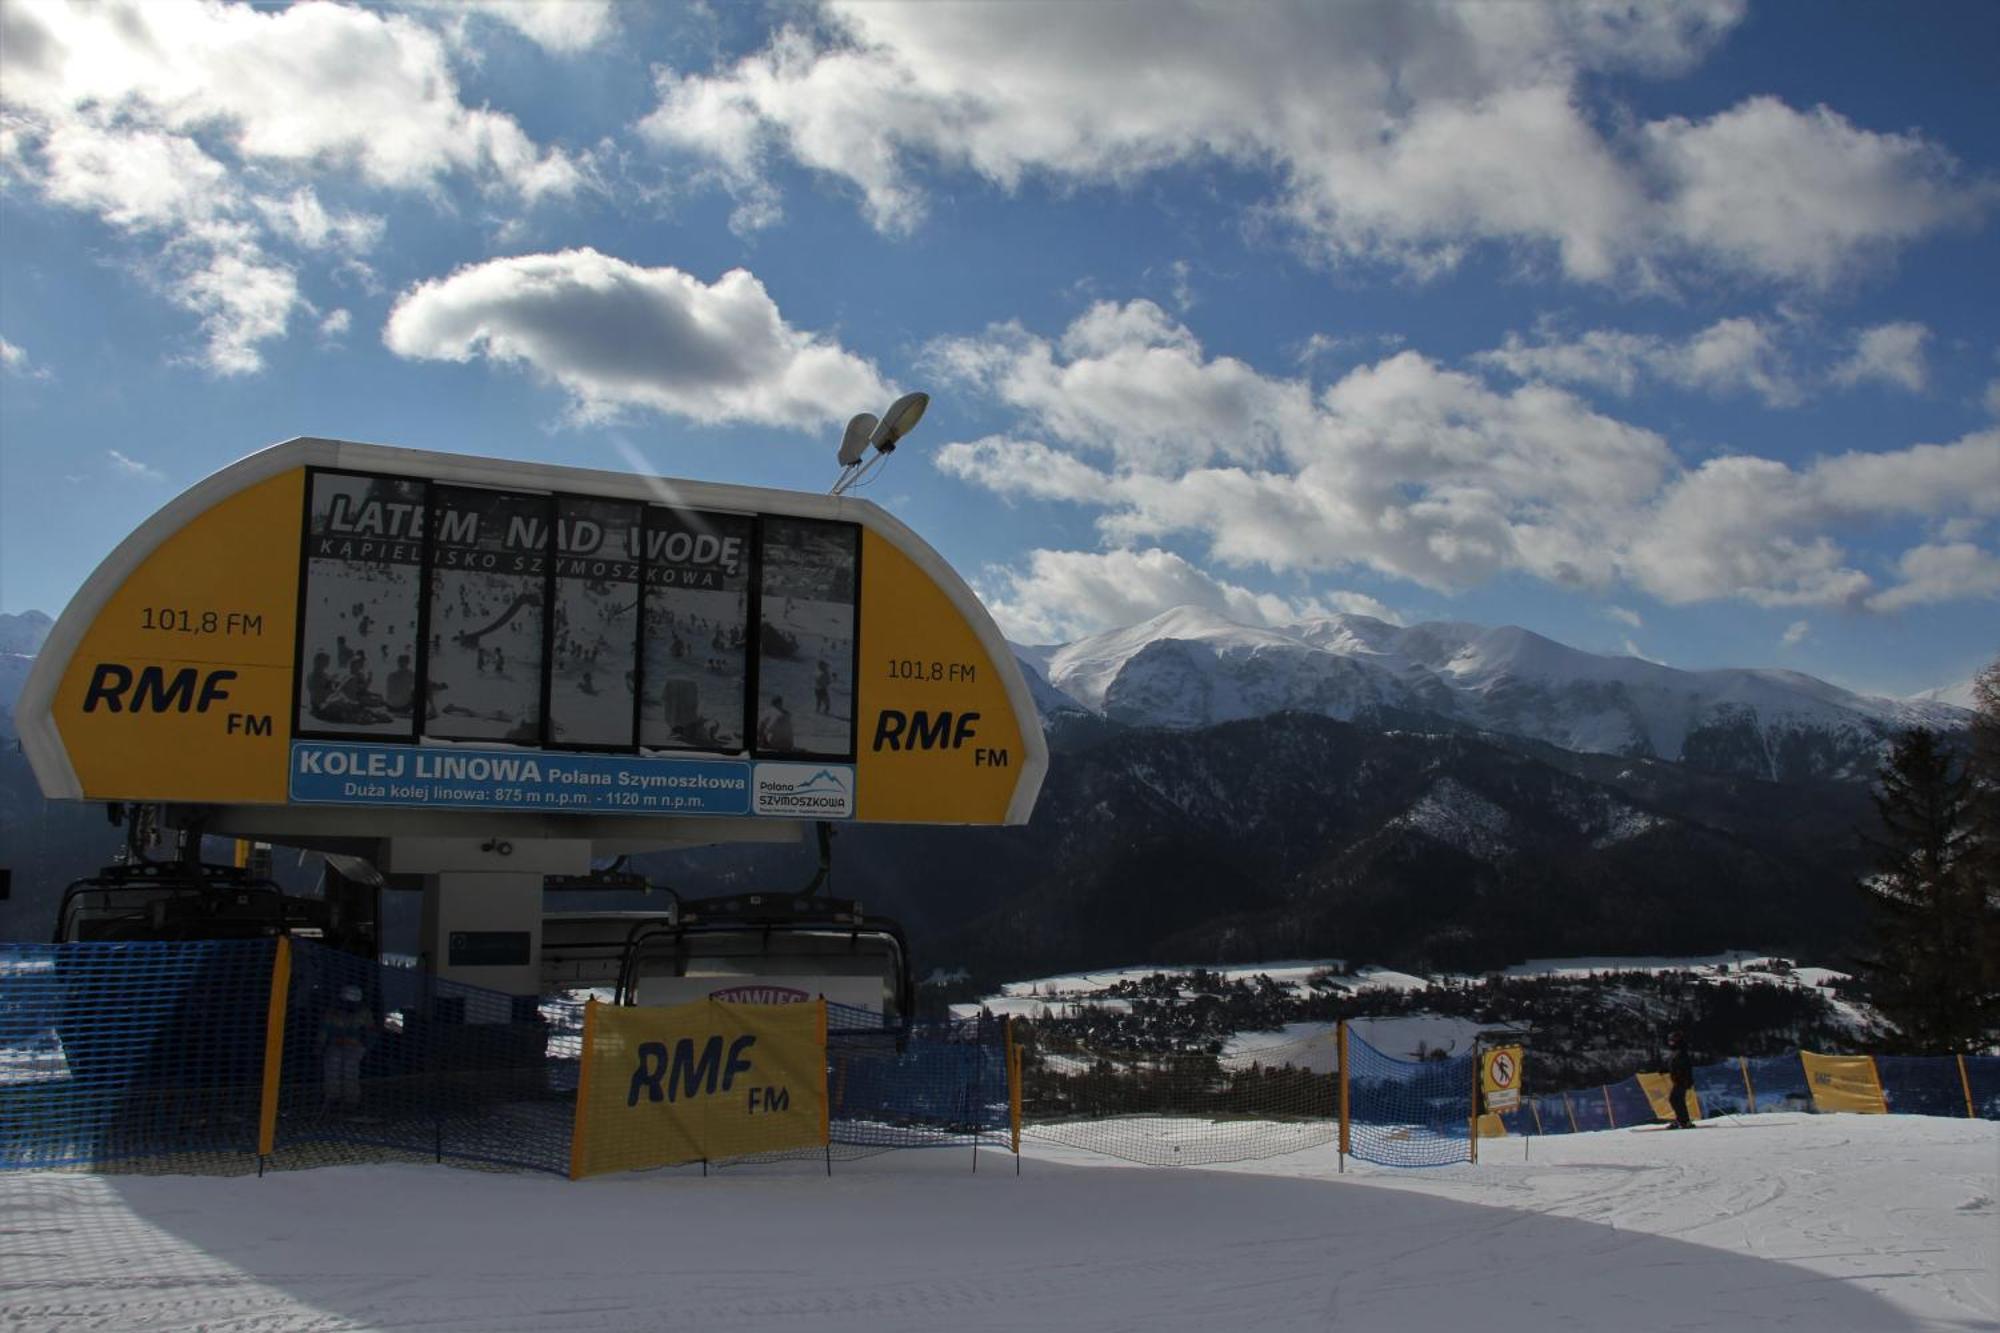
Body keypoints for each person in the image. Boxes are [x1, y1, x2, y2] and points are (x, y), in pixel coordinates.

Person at [320, 984, 374, 1113]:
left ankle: (351, 1101)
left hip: (355, 1047)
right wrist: (319, 1045)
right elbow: (324, 1030)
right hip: (336, 1045)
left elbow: (370, 1032)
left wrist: (369, 1048)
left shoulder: (364, 1013)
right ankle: (333, 1098)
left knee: (350, 1070)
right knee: (333, 1069)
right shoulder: (333, 1012)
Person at [1666, 1030, 1694, 1128]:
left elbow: (1685, 1066)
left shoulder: (1681, 1051)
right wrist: (1664, 1070)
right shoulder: (1676, 1051)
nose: (1670, 1042)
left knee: (1674, 1099)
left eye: (1672, 1040)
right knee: (1677, 1100)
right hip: (1678, 1080)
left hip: (1682, 1080)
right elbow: (1673, 1065)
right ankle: (1683, 1120)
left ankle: (1683, 1121)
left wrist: (1686, 1079)